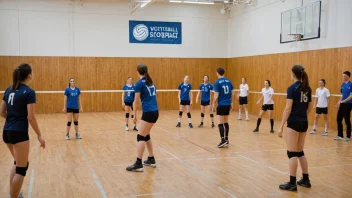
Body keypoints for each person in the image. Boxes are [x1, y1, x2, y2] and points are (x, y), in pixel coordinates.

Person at [1, 64, 46, 198]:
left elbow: (1, 111)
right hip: (19, 133)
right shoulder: (29, 92)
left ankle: (13, 193)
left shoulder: (9, 89)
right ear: (29, 75)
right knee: (22, 168)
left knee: (18, 163)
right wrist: (39, 135)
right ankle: (13, 196)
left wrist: (12, 119)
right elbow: (31, 117)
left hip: (7, 131)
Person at [277, 65, 312, 191]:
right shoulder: (307, 88)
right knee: (300, 152)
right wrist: (302, 116)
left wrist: (281, 126)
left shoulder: (292, 88)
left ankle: (292, 183)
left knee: (291, 153)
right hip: (304, 122)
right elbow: (310, 107)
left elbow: (288, 108)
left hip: (294, 122)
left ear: (293, 73)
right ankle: (306, 179)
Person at [126, 64, 159, 172]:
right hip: (155, 112)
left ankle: (138, 163)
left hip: (149, 112)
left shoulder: (139, 84)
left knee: (140, 137)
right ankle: (151, 159)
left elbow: (136, 101)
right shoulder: (151, 82)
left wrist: (134, 115)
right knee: (146, 135)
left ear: (137, 72)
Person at [213, 67, 234, 148]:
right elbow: (232, 93)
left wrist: (213, 104)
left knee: (220, 123)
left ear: (217, 73)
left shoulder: (217, 82)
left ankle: (222, 140)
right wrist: (231, 103)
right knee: (226, 121)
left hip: (221, 104)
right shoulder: (229, 81)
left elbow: (216, 95)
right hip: (227, 104)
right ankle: (226, 139)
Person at [335, 71, 352, 141]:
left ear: (348, 76)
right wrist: (339, 102)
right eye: (343, 76)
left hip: (348, 104)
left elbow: (351, 96)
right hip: (342, 104)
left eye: (344, 76)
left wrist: (344, 101)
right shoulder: (342, 84)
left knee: (347, 120)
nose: (343, 77)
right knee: (339, 119)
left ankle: (348, 136)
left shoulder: (351, 84)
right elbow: (342, 95)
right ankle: (340, 135)